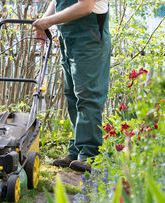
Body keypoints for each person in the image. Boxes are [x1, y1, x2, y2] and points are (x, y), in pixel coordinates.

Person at [33, 0, 111, 173]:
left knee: (88, 95)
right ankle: (76, 150)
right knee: (72, 96)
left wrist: (49, 21)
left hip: (90, 37)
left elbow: (85, 6)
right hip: (68, 37)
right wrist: (43, 22)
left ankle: (90, 154)